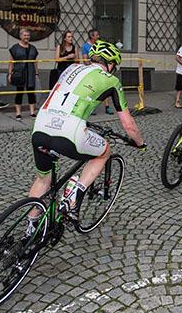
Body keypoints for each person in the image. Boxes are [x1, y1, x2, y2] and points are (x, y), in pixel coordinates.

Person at [29, 40, 146, 223]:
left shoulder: (71, 68)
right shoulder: (111, 80)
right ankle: (72, 196)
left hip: (40, 125)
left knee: (43, 179)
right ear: (111, 63)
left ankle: (30, 226)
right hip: (69, 130)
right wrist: (140, 143)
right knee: (104, 152)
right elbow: (128, 125)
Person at [8, 28, 38, 120]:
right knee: (19, 92)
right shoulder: (15, 48)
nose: (27, 37)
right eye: (25, 35)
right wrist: (10, 73)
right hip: (19, 72)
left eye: (28, 35)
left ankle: (32, 112)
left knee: (31, 92)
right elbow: (11, 61)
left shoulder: (33, 48)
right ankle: (18, 113)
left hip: (30, 72)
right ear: (20, 36)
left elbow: (35, 62)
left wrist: (36, 73)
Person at [82, 29, 113, 115]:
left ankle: (107, 107)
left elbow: (106, 57)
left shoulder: (101, 45)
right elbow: (85, 60)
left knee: (105, 87)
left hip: (102, 68)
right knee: (91, 89)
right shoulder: (85, 46)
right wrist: (92, 59)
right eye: (97, 35)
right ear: (92, 36)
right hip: (91, 70)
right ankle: (90, 108)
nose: (98, 36)